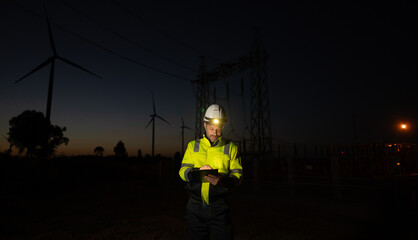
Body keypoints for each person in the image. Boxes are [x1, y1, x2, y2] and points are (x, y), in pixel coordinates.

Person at [179, 103, 243, 240]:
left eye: (218, 129)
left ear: (223, 127)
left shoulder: (231, 147)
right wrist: (195, 172)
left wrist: (223, 181)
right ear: (204, 125)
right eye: (211, 128)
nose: (215, 133)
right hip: (194, 207)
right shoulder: (192, 146)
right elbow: (182, 171)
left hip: (219, 207)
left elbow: (238, 176)